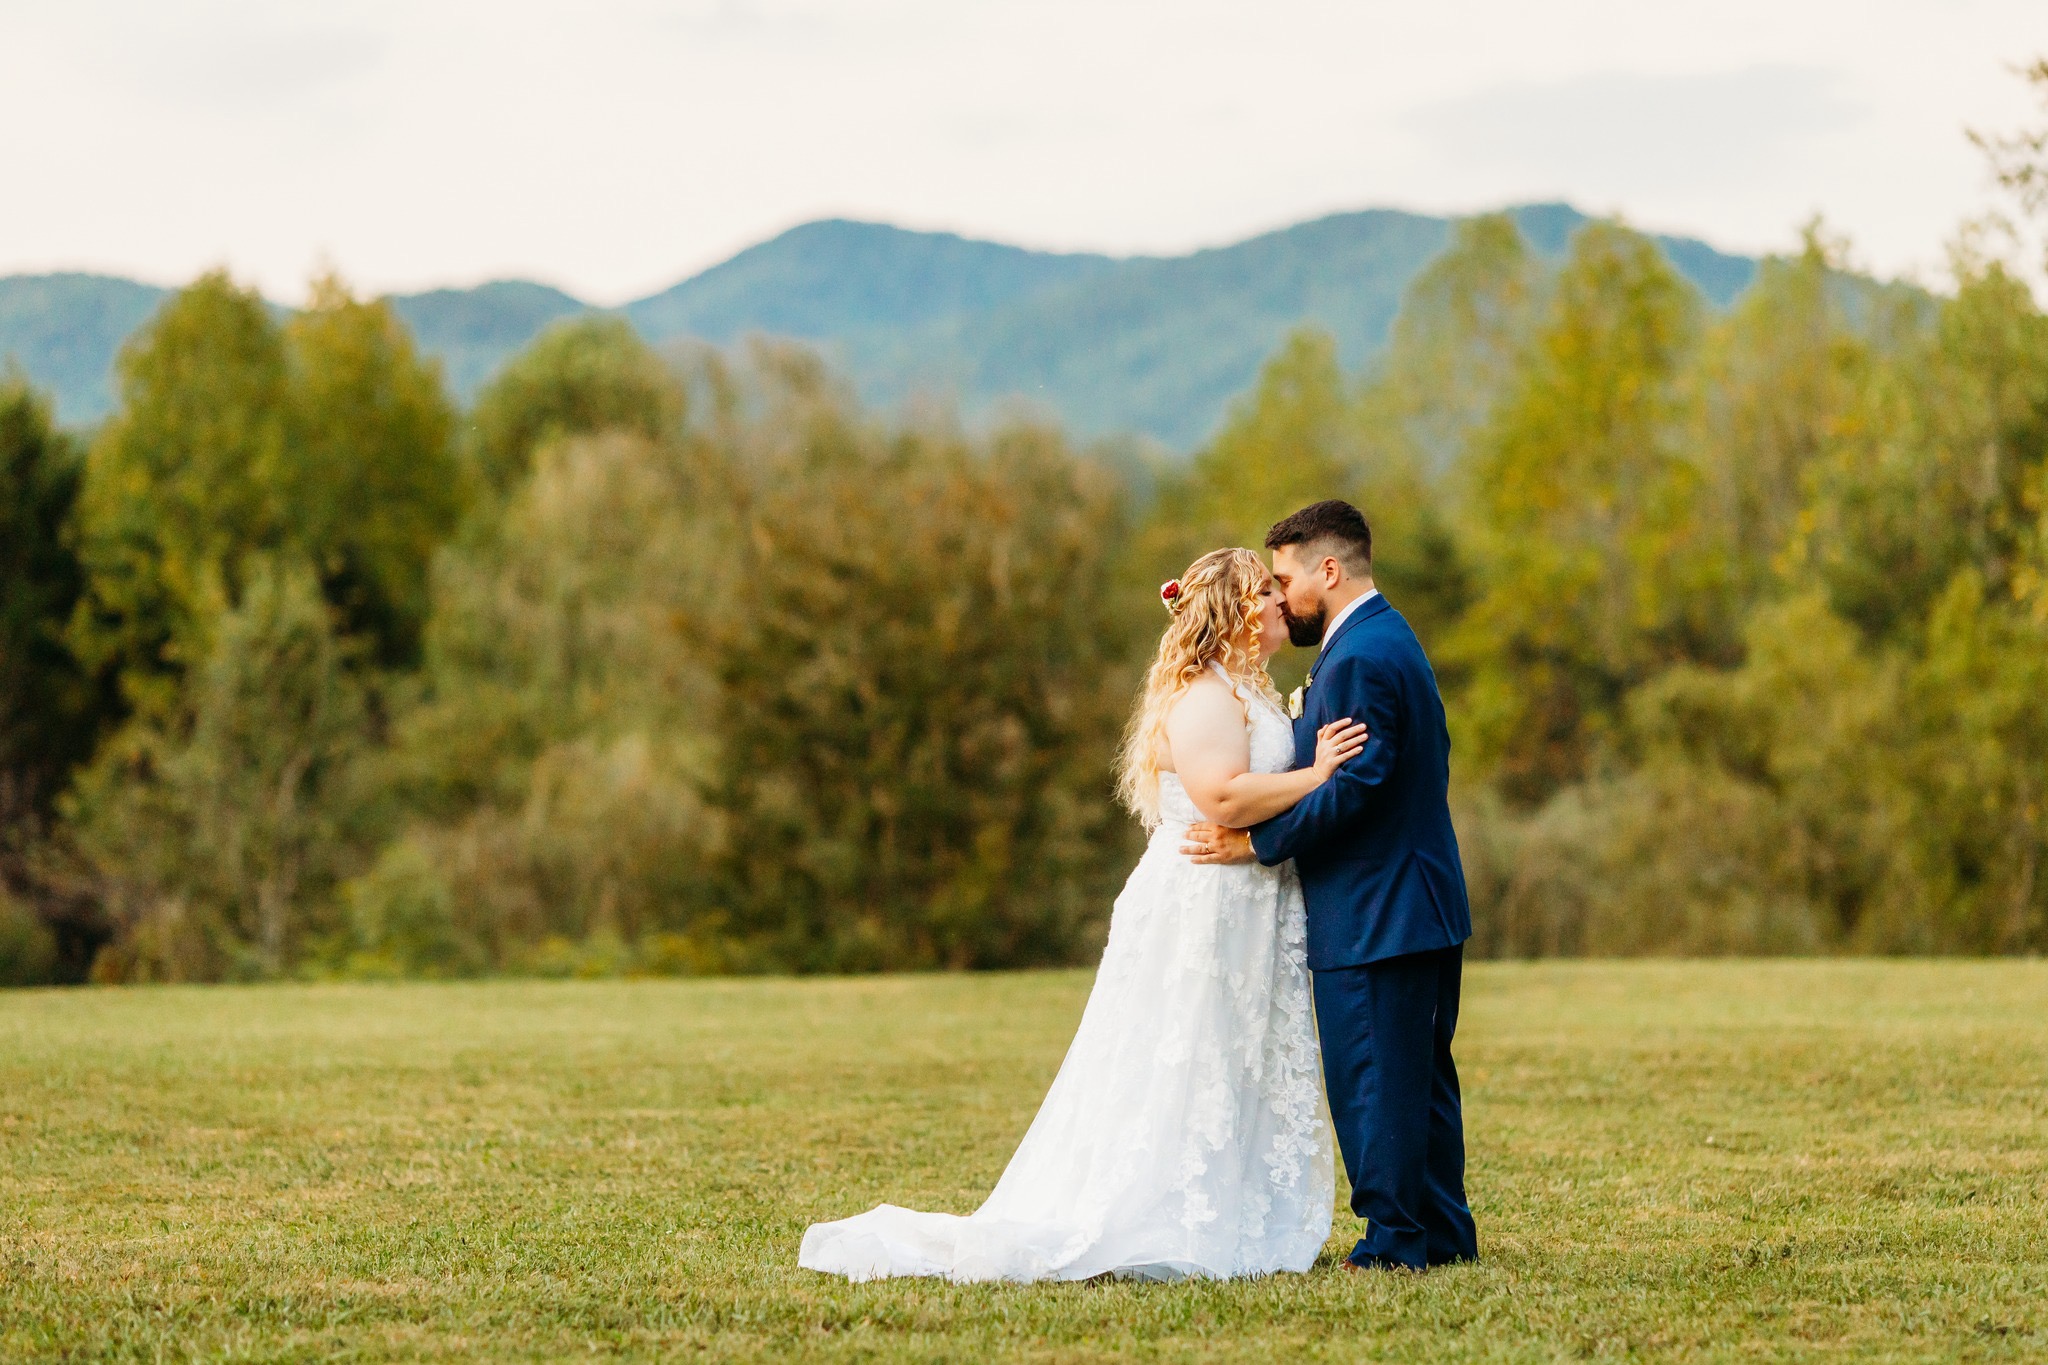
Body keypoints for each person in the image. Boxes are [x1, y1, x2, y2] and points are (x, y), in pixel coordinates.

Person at [799, 547, 1363, 1282]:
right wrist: (1317, 775)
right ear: (1232, 608)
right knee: (1183, 1050)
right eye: (1264, 590)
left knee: (1230, 1052)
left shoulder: (1246, 689)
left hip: (1246, 898)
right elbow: (1222, 797)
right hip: (1200, 902)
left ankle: (1225, 1208)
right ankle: (1164, 1214)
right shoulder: (1203, 696)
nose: (1279, 603)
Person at [1183, 500, 1479, 1272]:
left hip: (1376, 906)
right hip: (1417, 899)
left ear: (1329, 569)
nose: (1281, 598)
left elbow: (1359, 786)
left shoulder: (1355, 659)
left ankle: (1393, 1243)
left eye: (1285, 579)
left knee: (1374, 1078)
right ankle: (1441, 1230)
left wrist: (1256, 843)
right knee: (1419, 1081)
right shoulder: (1388, 636)